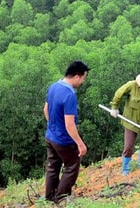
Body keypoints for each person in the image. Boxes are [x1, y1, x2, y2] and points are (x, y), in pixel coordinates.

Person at [43, 60, 90, 203]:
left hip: (50, 136)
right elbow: (70, 124)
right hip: (64, 140)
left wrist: (53, 127)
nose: (82, 82)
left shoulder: (53, 86)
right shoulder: (70, 94)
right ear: (77, 76)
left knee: (53, 167)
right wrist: (80, 144)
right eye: (83, 78)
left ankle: (49, 198)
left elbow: (45, 110)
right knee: (71, 167)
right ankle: (60, 198)